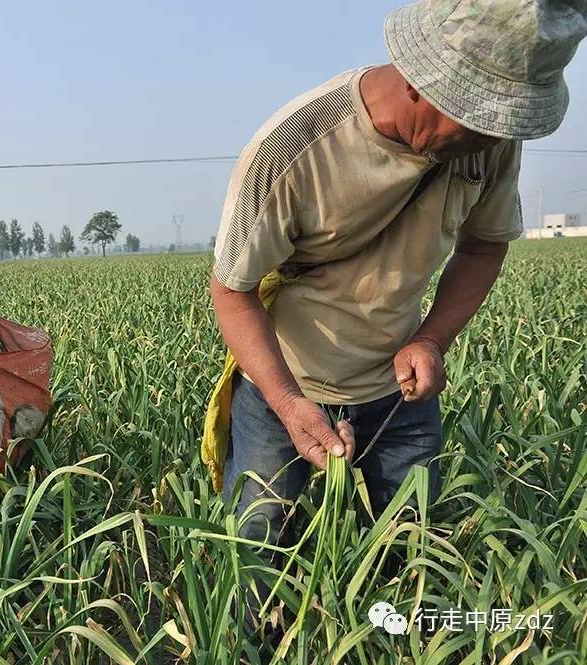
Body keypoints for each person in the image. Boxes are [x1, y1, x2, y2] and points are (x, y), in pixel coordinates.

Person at [210, 0, 586, 584]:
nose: (492, 139)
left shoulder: (490, 142)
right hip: (284, 393)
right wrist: (287, 404)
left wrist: (433, 339)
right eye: (479, 120)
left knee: (413, 558)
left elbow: (485, 247)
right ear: (421, 83)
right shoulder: (292, 150)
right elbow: (233, 291)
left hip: (400, 395)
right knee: (255, 558)